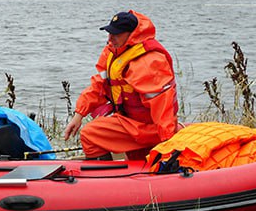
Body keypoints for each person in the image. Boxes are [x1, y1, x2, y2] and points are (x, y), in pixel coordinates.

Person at [63, 10, 178, 160]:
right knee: (134, 155)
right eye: (109, 33)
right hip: (130, 122)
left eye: (116, 34)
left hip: (149, 128)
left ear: (131, 35)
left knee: (89, 134)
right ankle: (119, 174)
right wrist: (79, 115)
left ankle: (105, 179)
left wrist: (168, 145)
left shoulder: (148, 61)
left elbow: (163, 107)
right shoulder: (113, 52)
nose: (110, 38)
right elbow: (99, 86)